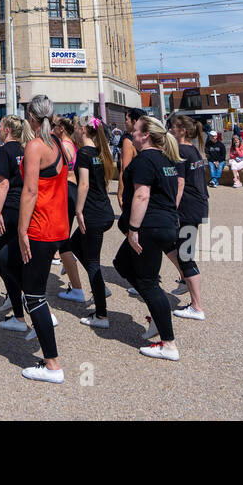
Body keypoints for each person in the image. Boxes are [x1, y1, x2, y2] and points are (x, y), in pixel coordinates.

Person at [10, 95, 70, 383]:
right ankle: (42, 327)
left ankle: (52, 364)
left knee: (33, 294)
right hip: (55, 226)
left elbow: (30, 192)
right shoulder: (57, 144)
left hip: (40, 227)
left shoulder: (35, 146)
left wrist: (22, 230)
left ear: (31, 118)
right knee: (27, 284)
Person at [113, 115, 183, 361]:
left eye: (136, 131)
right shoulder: (167, 160)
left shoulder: (145, 160)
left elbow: (142, 196)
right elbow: (174, 192)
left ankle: (168, 343)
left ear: (146, 135)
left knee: (149, 283)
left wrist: (133, 229)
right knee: (121, 263)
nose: (132, 134)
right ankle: (157, 313)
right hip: (164, 225)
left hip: (149, 227)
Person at [0, 115, 30, 322]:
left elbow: (3, 184)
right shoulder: (24, 150)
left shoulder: (4, 150)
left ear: (7, 130)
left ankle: (20, 312)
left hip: (10, 208)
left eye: (0, 126)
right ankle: (15, 294)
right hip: (22, 206)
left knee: (5, 259)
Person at [74, 117, 117, 329]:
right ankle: (100, 286)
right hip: (104, 210)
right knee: (72, 244)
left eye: (77, 127)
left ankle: (101, 314)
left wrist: (78, 210)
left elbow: (83, 184)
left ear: (83, 130)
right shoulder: (101, 153)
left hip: (93, 214)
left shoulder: (83, 153)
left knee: (93, 263)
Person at [169, 115, 208, 321]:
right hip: (197, 206)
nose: (171, 130)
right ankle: (185, 282)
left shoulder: (182, 151)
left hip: (187, 208)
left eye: (174, 127)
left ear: (183, 130)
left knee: (185, 254)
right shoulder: (193, 149)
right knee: (179, 249)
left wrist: (172, 210)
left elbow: (180, 184)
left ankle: (197, 306)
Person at [51, 116, 86, 302]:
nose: (52, 128)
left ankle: (77, 287)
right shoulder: (71, 144)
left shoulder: (63, 146)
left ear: (62, 128)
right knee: (61, 240)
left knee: (62, 241)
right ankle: (70, 265)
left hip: (66, 190)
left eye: (55, 126)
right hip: (71, 190)